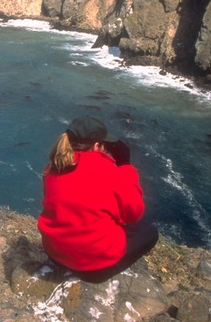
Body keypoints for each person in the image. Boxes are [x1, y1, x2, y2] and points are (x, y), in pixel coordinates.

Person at [37, 116, 158, 282]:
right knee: (149, 232)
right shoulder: (107, 171)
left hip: (55, 253)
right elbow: (134, 213)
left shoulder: (53, 167)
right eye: (103, 144)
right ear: (96, 146)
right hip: (94, 268)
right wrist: (125, 166)